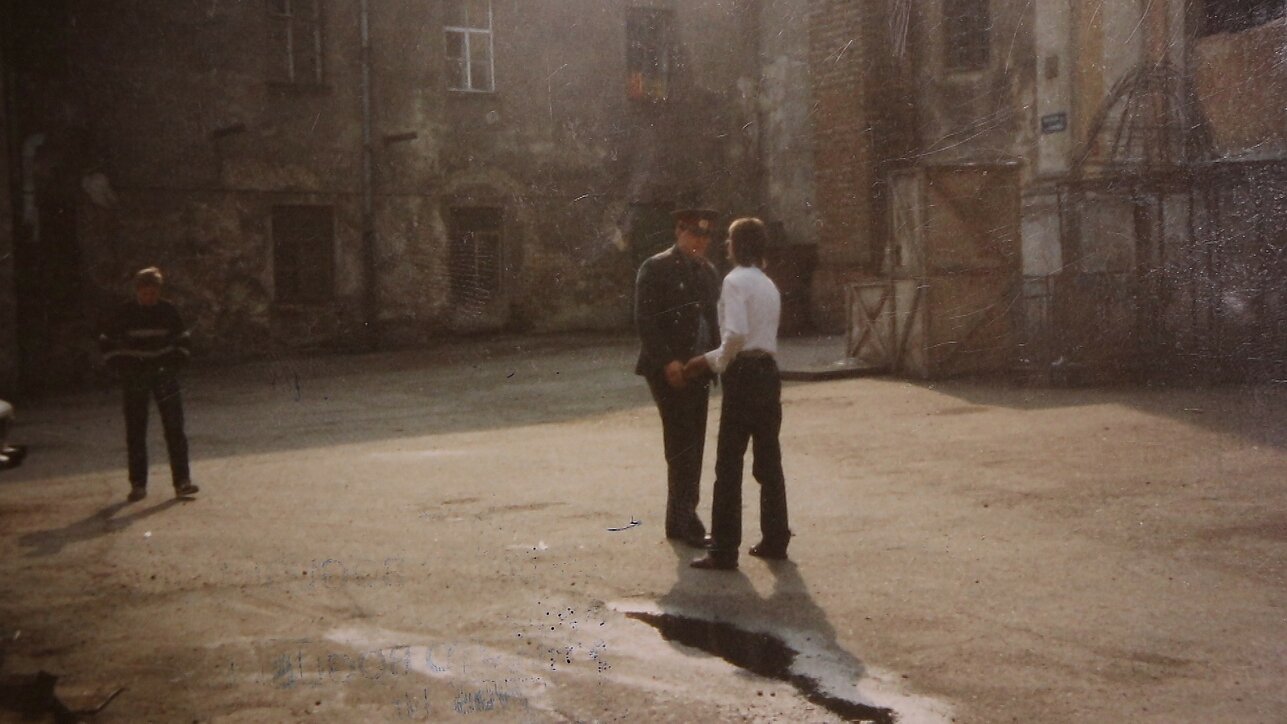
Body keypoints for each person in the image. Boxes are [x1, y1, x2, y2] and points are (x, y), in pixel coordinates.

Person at [684, 217, 790, 570]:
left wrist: (710, 362)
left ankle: (724, 549)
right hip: (768, 374)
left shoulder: (733, 281)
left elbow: (736, 334)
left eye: (728, 239)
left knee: (728, 464)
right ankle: (776, 539)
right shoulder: (768, 285)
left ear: (738, 245)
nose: (725, 245)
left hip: (742, 374)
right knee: (768, 461)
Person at [634, 208, 722, 547]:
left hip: (698, 368)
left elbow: (713, 320)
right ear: (679, 232)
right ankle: (686, 518)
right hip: (667, 370)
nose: (700, 241)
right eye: (693, 234)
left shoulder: (709, 271)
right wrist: (667, 361)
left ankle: (680, 517)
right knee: (681, 441)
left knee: (694, 441)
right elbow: (645, 320)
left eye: (705, 236)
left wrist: (713, 362)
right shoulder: (655, 268)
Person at [100, 267, 199, 502]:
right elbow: (106, 343)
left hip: (164, 375)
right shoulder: (124, 313)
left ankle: (182, 482)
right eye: (145, 293)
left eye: (153, 293)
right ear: (137, 291)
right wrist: (122, 367)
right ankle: (138, 484)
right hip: (135, 377)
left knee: (174, 429)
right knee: (136, 430)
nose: (149, 298)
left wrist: (175, 362)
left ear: (159, 291)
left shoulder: (168, 311)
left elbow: (183, 341)